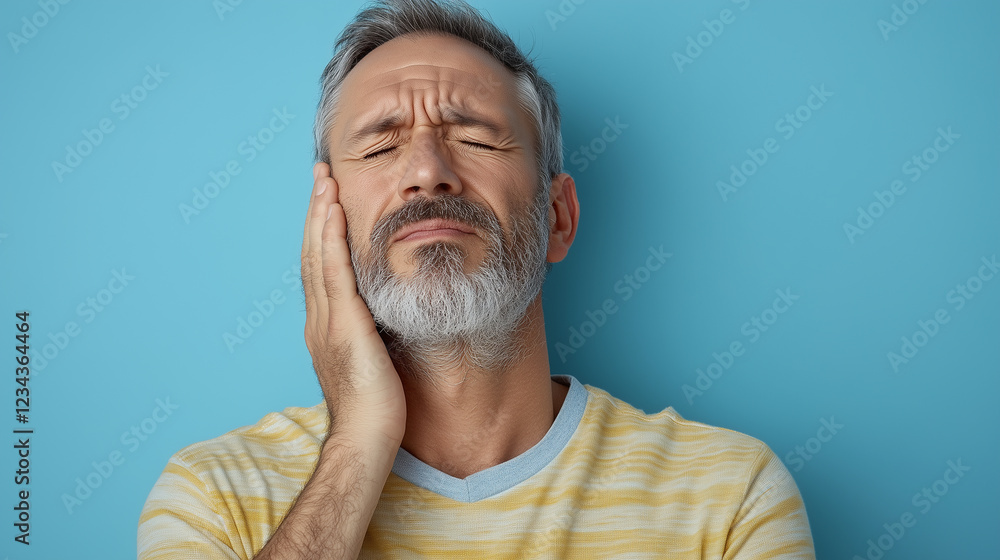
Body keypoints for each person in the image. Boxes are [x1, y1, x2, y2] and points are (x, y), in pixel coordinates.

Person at [137, 0, 817, 557]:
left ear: (558, 218)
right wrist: (359, 437)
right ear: (328, 223)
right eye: (380, 145)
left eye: (477, 137)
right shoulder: (214, 495)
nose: (428, 169)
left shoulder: (729, 497)